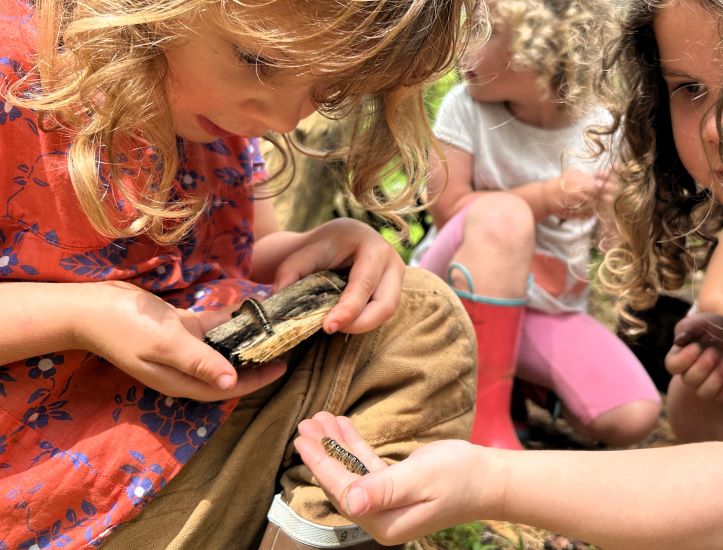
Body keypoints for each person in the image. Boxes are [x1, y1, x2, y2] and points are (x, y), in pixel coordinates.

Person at [295, 0, 723, 547]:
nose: (720, 125)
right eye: (690, 87)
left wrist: (491, 481)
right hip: (475, 288)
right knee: (703, 402)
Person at [0, 0, 483, 547]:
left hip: (183, 436)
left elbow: (234, 253)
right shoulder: (16, 74)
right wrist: (80, 318)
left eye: (323, 93)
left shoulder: (214, 110)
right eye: (257, 60)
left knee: (415, 317)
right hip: (53, 493)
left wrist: (317, 247)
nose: (281, 118)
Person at [413, 0, 661, 450]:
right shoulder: (465, 108)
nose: (461, 47)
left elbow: (614, 250)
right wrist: (546, 197)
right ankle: (484, 423)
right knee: (502, 214)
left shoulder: (604, 130)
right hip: (450, 295)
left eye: (483, 32)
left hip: (544, 309)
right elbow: (450, 211)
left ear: (544, 47)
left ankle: (513, 384)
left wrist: (614, 209)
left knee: (632, 415)